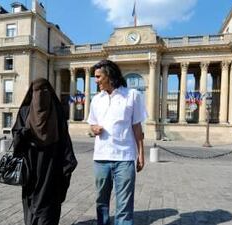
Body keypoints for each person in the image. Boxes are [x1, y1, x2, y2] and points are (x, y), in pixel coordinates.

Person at [87, 59, 147, 225]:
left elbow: (137, 128)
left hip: (125, 157)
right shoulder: (96, 99)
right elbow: (92, 122)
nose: (96, 80)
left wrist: (141, 154)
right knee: (101, 201)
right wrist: (94, 128)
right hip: (101, 158)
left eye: (98, 76)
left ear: (109, 75)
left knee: (125, 204)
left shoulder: (132, 95)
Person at [12, 78, 78, 225]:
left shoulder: (56, 112)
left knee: (49, 203)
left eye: (45, 90)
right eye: (37, 91)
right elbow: (17, 135)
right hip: (32, 169)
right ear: (32, 93)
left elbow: (64, 140)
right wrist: (23, 134)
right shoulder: (25, 112)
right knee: (38, 200)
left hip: (52, 168)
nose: (41, 94)